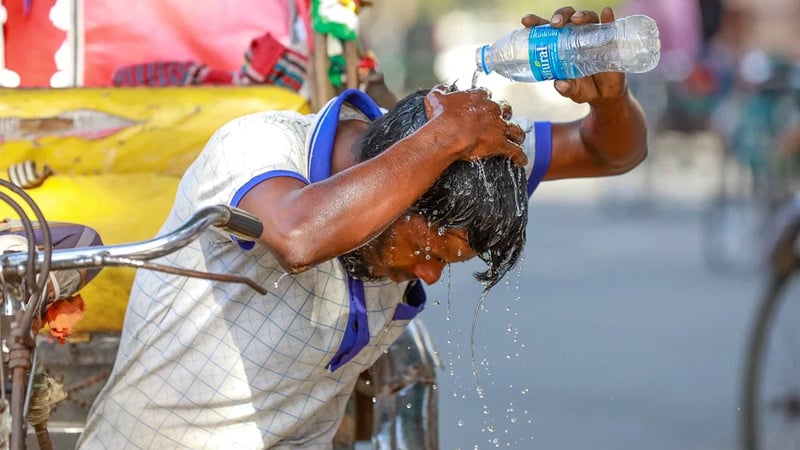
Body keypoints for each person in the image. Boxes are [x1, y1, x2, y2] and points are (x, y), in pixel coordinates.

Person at [78, 6, 647, 449]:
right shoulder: (256, 148)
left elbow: (609, 152)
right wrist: (443, 137)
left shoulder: (455, 178)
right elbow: (298, 236)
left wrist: (612, 99)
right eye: (428, 249)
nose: (427, 273)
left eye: (445, 262)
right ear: (400, 188)